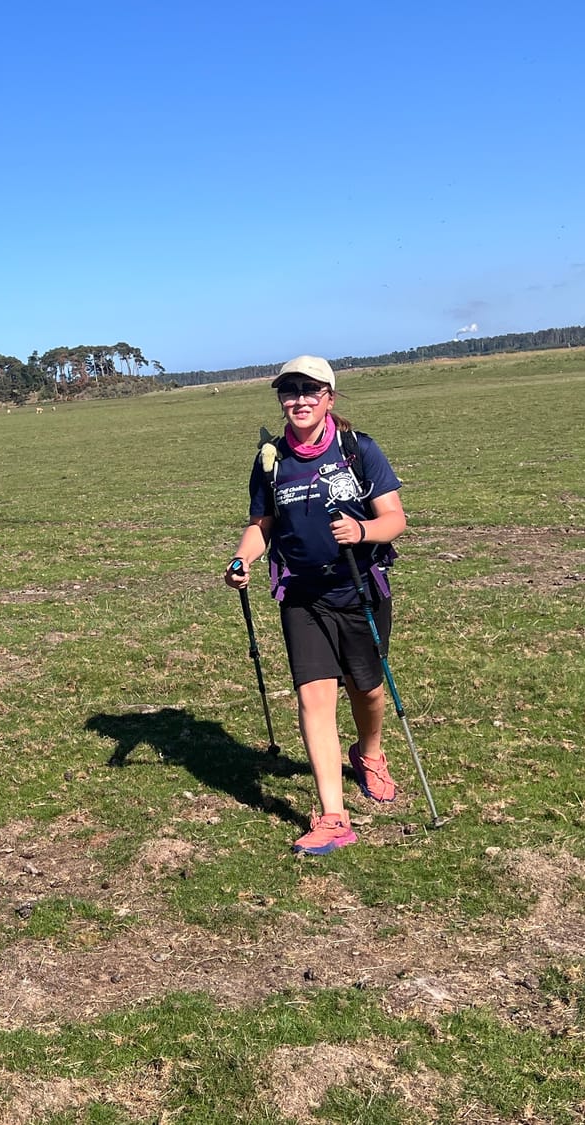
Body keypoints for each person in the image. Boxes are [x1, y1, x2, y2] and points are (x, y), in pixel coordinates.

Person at [224, 356, 407, 855]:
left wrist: (362, 530)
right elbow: (261, 526)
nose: (299, 400)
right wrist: (242, 558)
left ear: (329, 396)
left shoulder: (357, 449)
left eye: (310, 390)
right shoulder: (270, 460)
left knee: (367, 690)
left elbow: (394, 518)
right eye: (290, 391)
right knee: (313, 698)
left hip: (358, 589)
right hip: (301, 595)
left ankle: (369, 754)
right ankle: (333, 817)